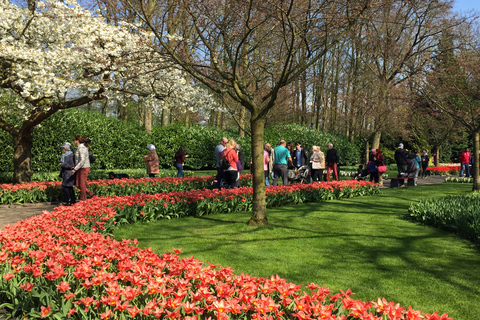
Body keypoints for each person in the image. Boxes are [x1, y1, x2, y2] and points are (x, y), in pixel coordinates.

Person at [72, 135, 94, 201]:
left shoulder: (82, 148)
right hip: (80, 168)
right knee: (78, 185)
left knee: (82, 184)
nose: (73, 141)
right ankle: (91, 194)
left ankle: (82, 199)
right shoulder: (79, 147)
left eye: (74, 140)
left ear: (77, 141)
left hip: (84, 168)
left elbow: (82, 160)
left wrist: (75, 169)